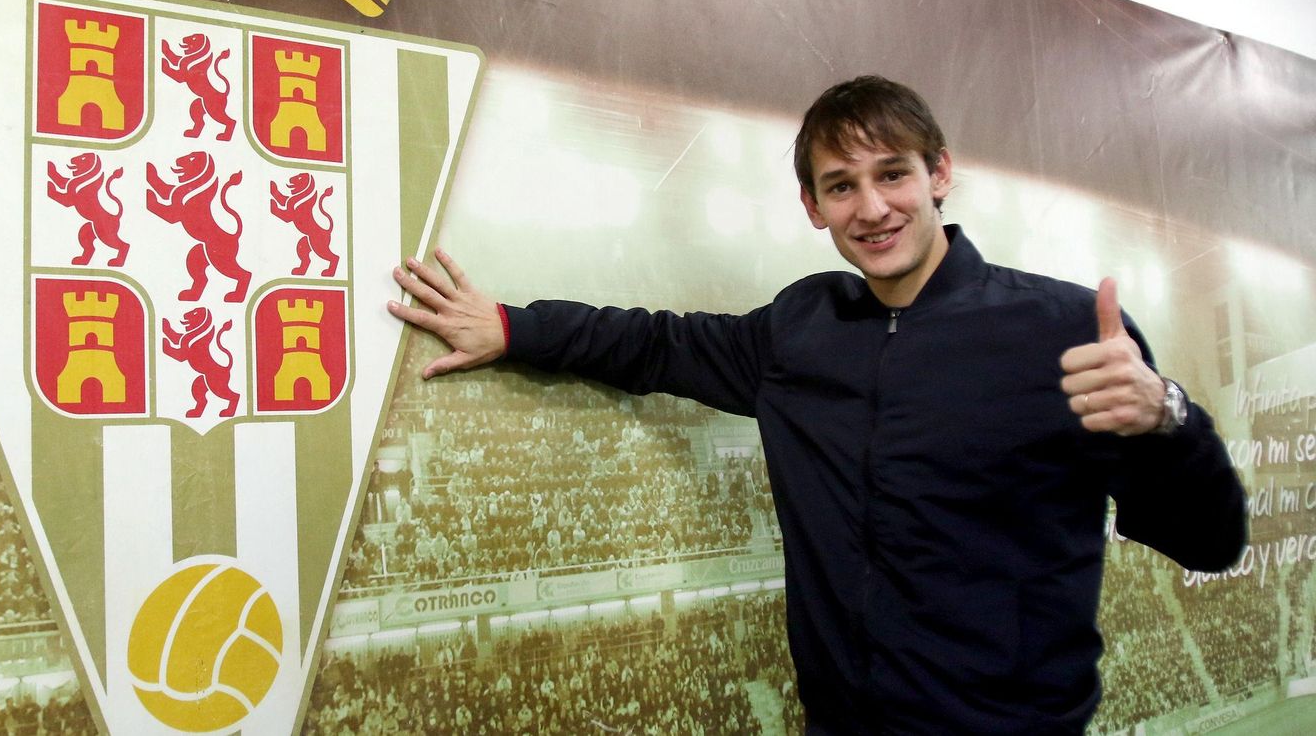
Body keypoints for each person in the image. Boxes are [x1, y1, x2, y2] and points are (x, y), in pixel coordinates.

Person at [386, 76, 1246, 734]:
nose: (871, 208)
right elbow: (658, 342)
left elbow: (1208, 540)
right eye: (840, 186)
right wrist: (510, 326)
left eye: (892, 175)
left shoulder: (1063, 331)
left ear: (939, 174)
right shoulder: (805, 326)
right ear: (812, 206)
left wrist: (1170, 417)